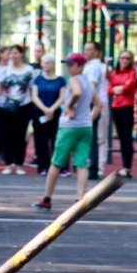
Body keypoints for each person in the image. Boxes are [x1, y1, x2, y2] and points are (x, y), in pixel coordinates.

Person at [32, 52, 101, 210]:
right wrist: (89, 118)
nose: (68, 67)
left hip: (69, 127)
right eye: (67, 64)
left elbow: (77, 92)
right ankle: (80, 199)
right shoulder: (89, 83)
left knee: (56, 162)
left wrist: (69, 106)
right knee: (81, 163)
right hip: (85, 127)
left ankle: (47, 198)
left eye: (72, 64)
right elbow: (98, 104)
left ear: (80, 66)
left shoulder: (74, 80)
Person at [0, 44, 35, 175]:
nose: (13, 56)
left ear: (21, 54)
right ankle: (7, 164)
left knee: (20, 135)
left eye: (16, 53)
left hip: (24, 106)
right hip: (5, 107)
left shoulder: (29, 70)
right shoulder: (4, 71)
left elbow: (32, 89)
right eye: (11, 53)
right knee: (6, 135)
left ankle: (18, 164)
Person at [31, 53, 66, 175]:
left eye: (46, 63)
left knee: (57, 140)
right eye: (43, 62)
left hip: (55, 114)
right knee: (41, 140)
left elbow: (62, 97)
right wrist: (45, 109)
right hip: (40, 113)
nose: (44, 65)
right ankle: (43, 166)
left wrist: (52, 109)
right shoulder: (38, 79)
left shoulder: (60, 80)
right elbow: (35, 96)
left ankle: (60, 166)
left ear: (52, 65)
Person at [107, 49, 137, 176]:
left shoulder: (132, 72)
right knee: (121, 136)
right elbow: (109, 89)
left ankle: (127, 166)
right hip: (116, 106)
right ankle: (124, 166)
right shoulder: (114, 72)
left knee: (127, 137)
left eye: (127, 58)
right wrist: (119, 88)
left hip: (127, 106)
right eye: (122, 58)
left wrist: (117, 88)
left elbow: (129, 86)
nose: (124, 60)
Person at [83, 40, 108, 179]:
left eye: (89, 50)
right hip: (92, 103)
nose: (86, 52)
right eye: (85, 49)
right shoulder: (92, 65)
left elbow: (92, 86)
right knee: (91, 137)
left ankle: (91, 167)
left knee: (90, 137)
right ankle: (91, 167)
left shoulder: (93, 67)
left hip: (90, 103)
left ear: (97, 52)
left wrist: (93, 106)